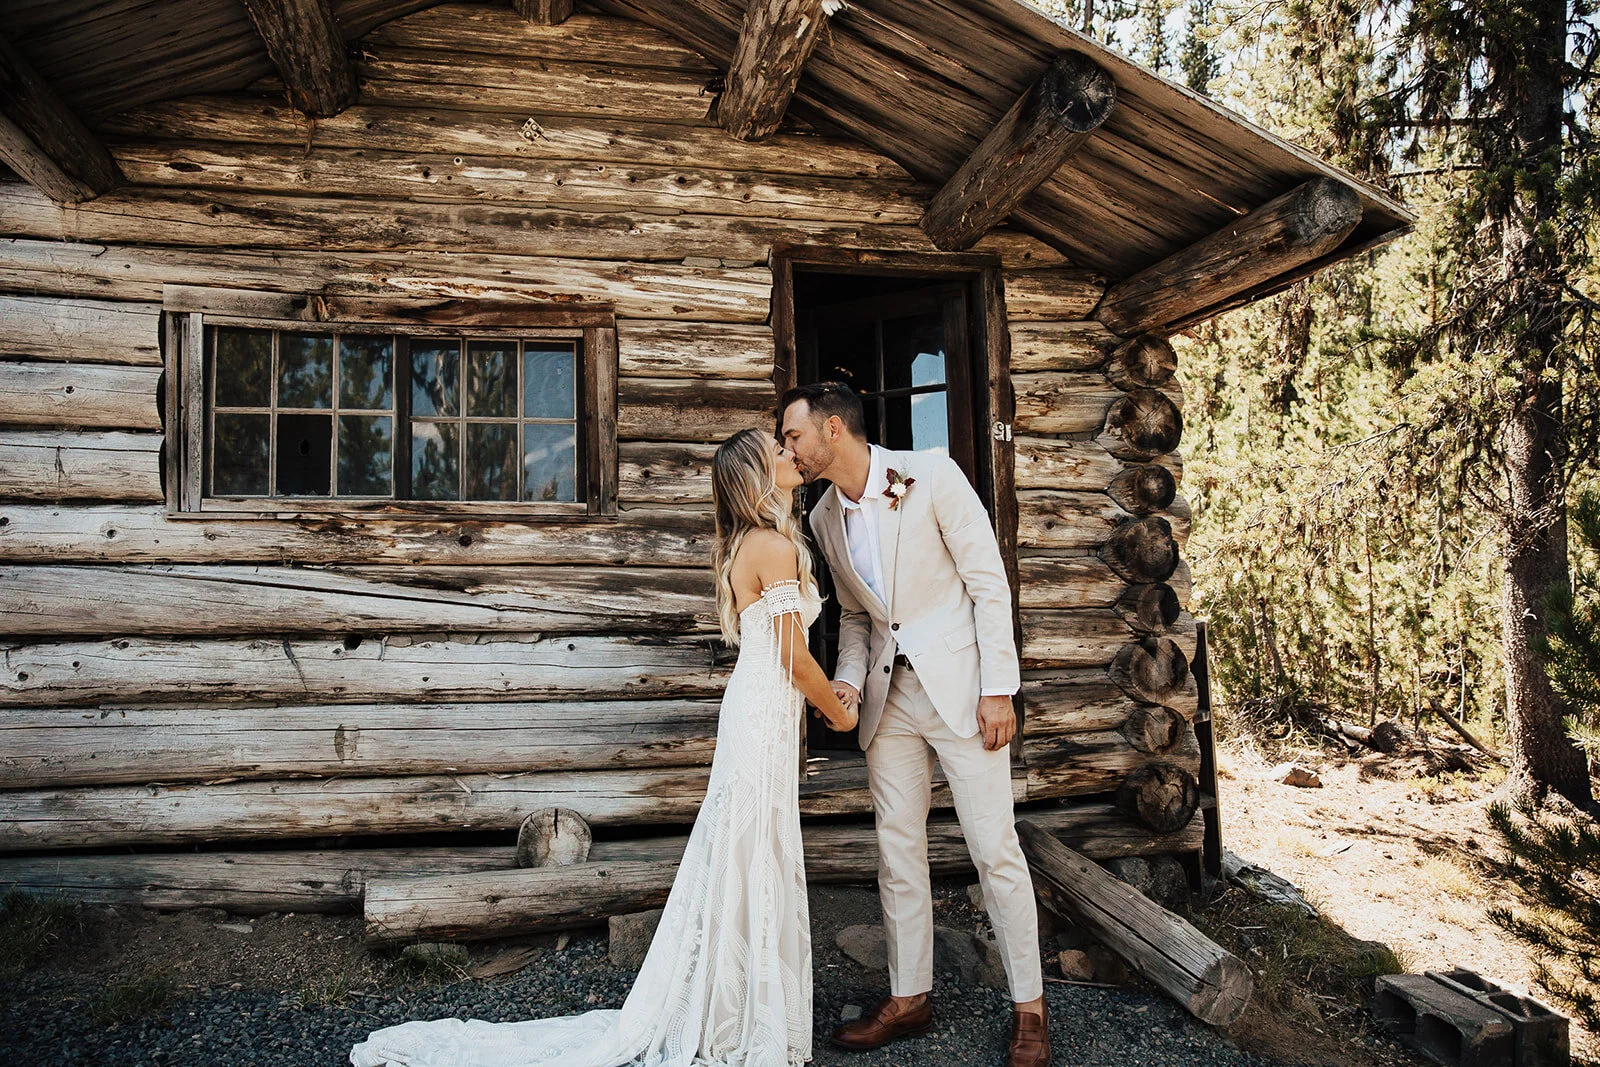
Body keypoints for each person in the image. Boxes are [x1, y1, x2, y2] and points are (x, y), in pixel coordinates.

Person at [351, 428, 855, 1067]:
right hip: (763, 708)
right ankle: (738, 1012)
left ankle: (738, 1002)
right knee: (752, 847)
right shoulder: (773, 546)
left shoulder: (746, 546)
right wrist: (835, 708)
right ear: (758, 473)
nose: (791, 454)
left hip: (759, 706)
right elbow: (791, 653)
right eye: (777, 450)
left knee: (748, 846)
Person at [778, 381, 1049, 1067]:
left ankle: (1030, 1008)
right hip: (887, 701)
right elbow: (861, 621)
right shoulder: (821, 521)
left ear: (833, 429)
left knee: (994, 848)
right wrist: (844, 681)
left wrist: (998, 689)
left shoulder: (931, 474)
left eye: (793, 435)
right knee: (897, 848)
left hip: (962, 691)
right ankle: (908, 996)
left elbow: (988, 581)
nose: (788, 448)